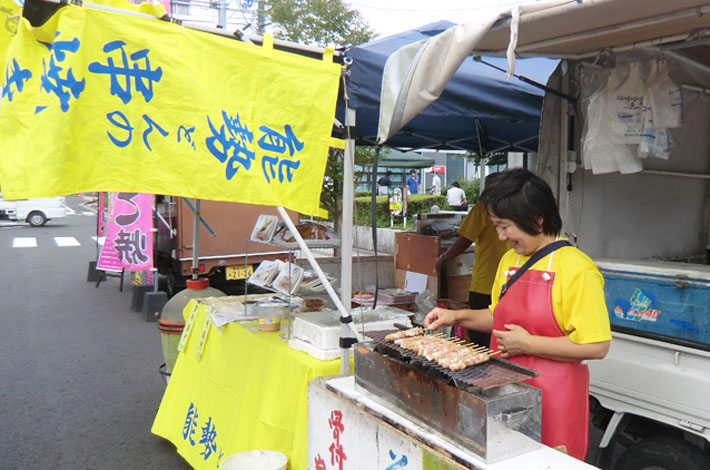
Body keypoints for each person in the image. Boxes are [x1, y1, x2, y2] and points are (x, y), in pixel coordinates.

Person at [425, 168, 611, 461]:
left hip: (555, 397)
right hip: (505, 389)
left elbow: (597, 345)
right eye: (496, 226)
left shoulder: (576, 268)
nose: (500, 237)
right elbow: (497, 317)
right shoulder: (510, 261)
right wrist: (456, 317)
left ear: (537, 219)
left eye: (504, 226)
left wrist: (528, 345)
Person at [435, 173, 508, 346]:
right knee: (499, 332)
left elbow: (465, 239)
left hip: (485, 283)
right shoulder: (511, 210)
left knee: (480, 340)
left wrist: (444, 258)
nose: (502, 235)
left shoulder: (483, 208)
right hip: (507, 283)